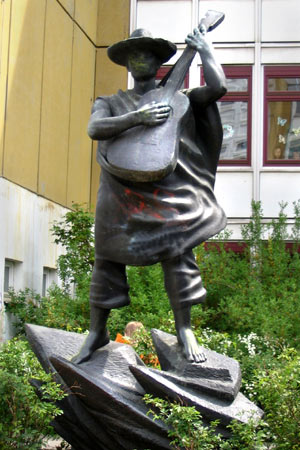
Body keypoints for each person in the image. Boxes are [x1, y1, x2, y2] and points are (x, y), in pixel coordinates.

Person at [73, 25, 227, 365]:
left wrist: (205, 49)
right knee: (106, 259)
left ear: (160, 62)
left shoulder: (180, 98)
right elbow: (94, 128)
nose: (140, 59)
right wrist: (136, 118)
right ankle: (97, 330)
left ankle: (185, 329)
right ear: (126, 63)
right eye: (134, 54)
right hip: (117, 193)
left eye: (147, 54)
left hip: (166, 194)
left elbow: (218, 88)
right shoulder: (110, 102)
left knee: (179, 254)